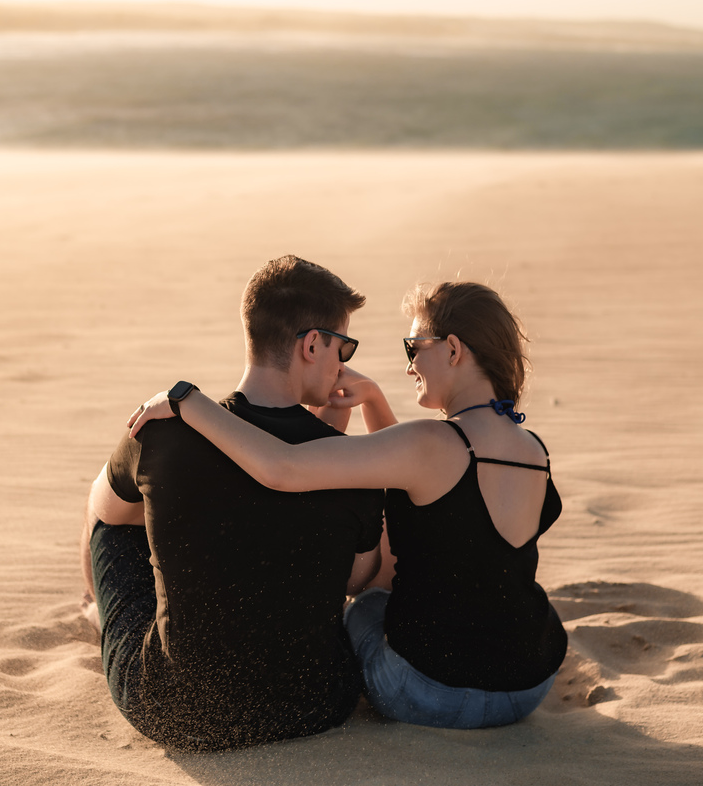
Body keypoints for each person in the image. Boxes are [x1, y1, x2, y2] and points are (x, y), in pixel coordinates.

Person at [130, 281, 566, 729]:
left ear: (453, 349)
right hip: (531, 684)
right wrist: (373, 398)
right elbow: (431, 481)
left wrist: (187, 401)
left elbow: (284, 467)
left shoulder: (429, 443)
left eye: (414, 348)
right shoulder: (533, 450)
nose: (410, 365)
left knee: (365, 605)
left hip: (429, 693)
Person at [80, 255, 390, 752]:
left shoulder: (163, 431)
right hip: (312, 705)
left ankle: (102, 611)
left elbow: (108, 515)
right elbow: (358, 578)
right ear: (313, 344)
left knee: (109, 516)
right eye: (343, 345)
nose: (343, 363)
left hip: (176, 712)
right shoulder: (350, 464)